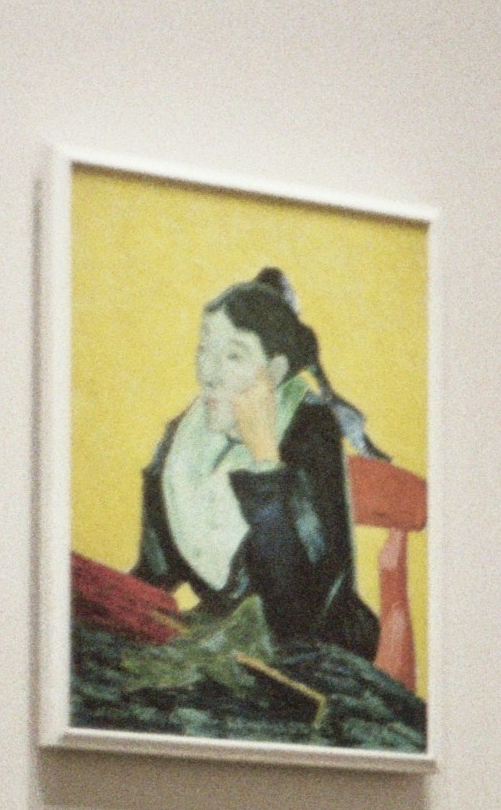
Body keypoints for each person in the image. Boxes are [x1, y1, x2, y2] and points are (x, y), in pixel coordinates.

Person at [132, 268, 385, 664]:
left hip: (317, 653)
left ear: (277, 371)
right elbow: (155, 574)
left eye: (233, 355)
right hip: (227, 642)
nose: (209, 375)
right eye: (205, 351)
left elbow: (298, 612)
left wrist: (266, 459)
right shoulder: (183, 439)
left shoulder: (310, 431)